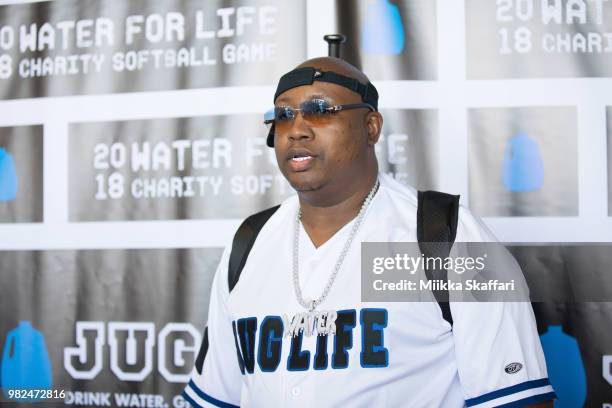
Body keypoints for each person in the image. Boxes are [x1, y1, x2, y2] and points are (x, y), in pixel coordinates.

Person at [182, 57, 556, 407]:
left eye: (319, 110)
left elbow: (516, 399)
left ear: (371, 127)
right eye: (282, 115)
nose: (296, 129)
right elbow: (216, 397)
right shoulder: (250, 241)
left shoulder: (444, 233)